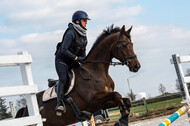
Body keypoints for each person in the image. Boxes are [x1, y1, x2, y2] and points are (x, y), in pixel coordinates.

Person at [55, 10, 90, 116]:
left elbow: (83, 53)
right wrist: (76, 58)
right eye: (84, 20)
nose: (86, 23)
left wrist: (85, 62)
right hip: (62, 60)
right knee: (64, 79)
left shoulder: (83, 36)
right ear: (77, 21)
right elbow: (64, 50)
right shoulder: (71, 32)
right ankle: (59, 103)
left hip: (74, 61)